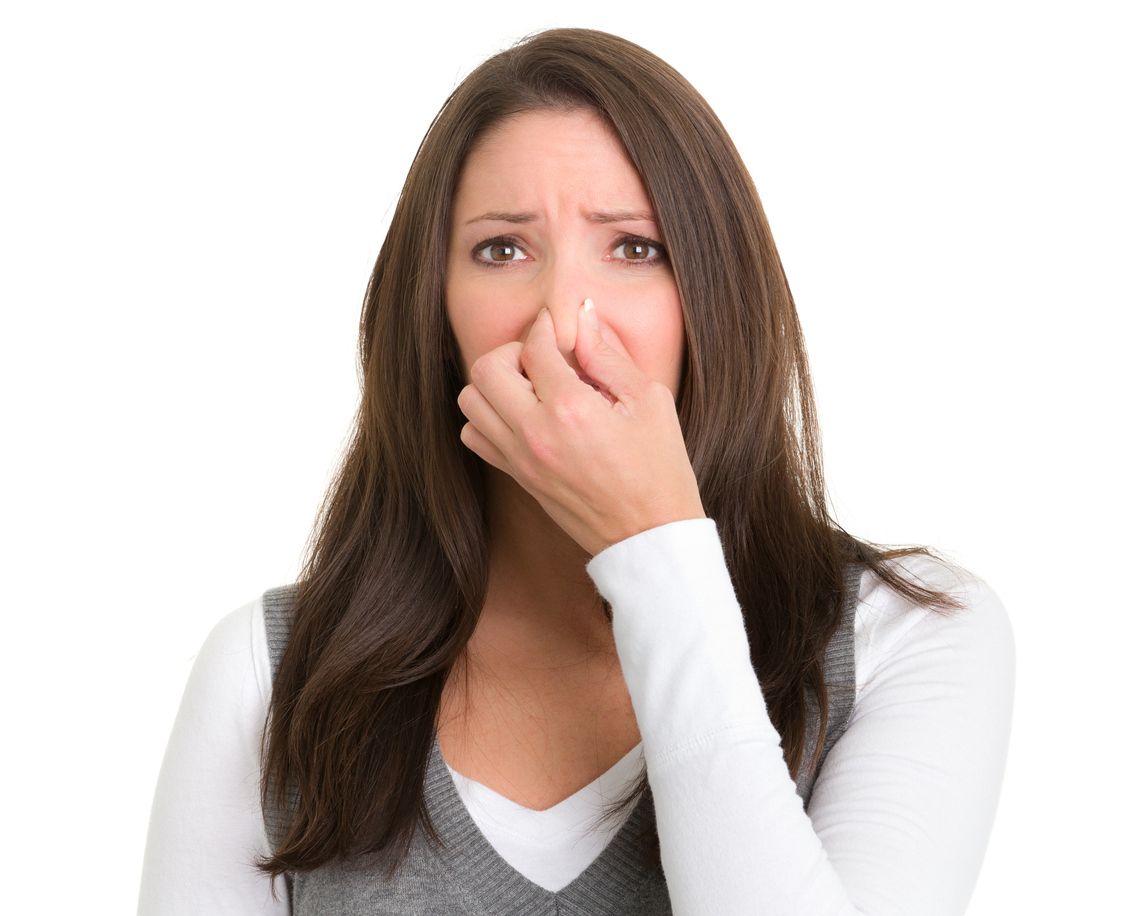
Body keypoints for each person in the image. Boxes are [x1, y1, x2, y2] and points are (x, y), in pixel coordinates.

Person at [137, 26, 1016, 915]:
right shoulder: (268, 675)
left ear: (713, 296)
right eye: (502, 250)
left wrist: (653, 544)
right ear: (434, 314)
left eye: (633, 247)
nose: (561, 314)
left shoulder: (904, 637)